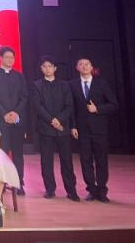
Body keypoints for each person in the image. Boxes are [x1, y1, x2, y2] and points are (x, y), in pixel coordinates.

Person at [70, 56, 118, 203]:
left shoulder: (102, 84)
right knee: (85, 160)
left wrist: (97, 109)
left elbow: (114, 104)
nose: (84, 66)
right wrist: (73, 126)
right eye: (81, 64)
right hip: (82, 130)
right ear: (77, 68)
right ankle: (91, 189)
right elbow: (71, 108)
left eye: (87, 64)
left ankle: (102, 190)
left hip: (99, 129)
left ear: (92, 67)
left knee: (101, 160)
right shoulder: (72, 85)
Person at [31, 56, 79, 201]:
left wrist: (59, 119)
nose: (47, 69)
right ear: (41, 69)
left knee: (67, 161)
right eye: (44, 66)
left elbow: (69, 105)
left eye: (50, 66)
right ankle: (50, 189)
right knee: (46, 161)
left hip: (63, 128)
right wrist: (52, 120)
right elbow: (38, 106)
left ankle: (71, 190)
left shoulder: (65, 85)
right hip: (46, 128)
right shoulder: (37, 85)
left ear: (55, 68)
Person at [0, 45, 28, 195]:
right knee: (2, 153)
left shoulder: (19, 76)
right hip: (0, 120)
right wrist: (4, 113)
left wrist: (15, 113)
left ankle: (18, 183)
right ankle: (1, 184)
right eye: (7, 57)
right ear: (0, 58)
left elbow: (24, 96)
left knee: (18, 153)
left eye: (12, 57)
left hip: (17, 120)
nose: (10, 60)